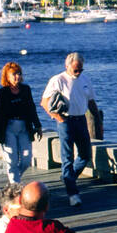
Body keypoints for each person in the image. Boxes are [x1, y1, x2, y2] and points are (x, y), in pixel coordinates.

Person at [41, 52, 99, 207]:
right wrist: (57, 117)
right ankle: (73, 194)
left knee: (85, 155)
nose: (78, 73)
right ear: (67, 66)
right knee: (67, 157)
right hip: (66, 120)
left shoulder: (85, 80)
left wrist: (97, 118)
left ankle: (69, 178)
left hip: (81, 119)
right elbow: (44, 102)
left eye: (81, 70)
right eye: (75, 70)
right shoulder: (58, 80)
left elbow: (91, 101)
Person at [0, 61, 43, 185]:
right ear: (7, 76)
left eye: (19, 73)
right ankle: (15, 185)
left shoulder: (26, 89)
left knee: (26, 159)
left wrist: (38, 125)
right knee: (11, 160)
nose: (17, 76)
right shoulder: (2, 92)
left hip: (24, 127)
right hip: (8, 128)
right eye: (14, 74)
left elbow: (32, 108)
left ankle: (14, 177)